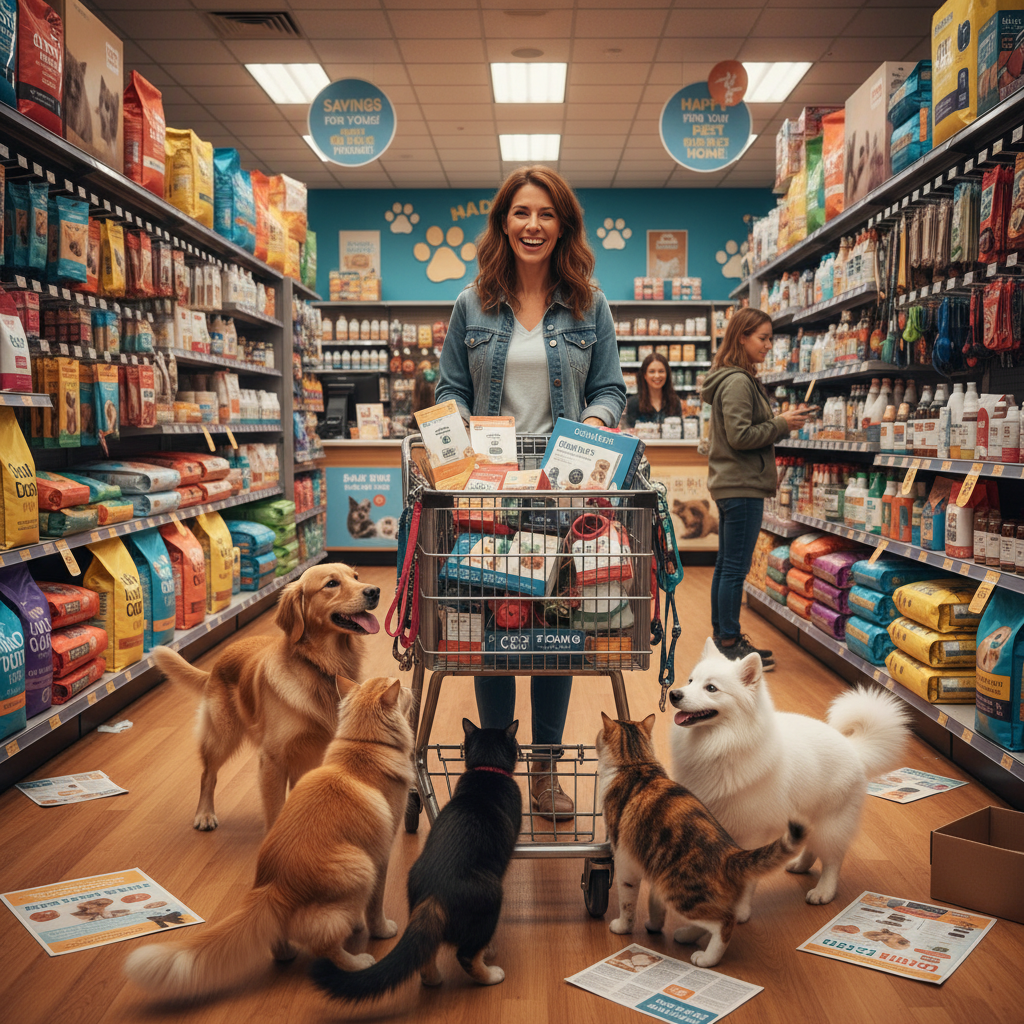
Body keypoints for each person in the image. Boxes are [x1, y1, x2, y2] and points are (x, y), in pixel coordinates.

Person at [436, 165, 626, 820]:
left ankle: (544, 772)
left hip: (561, 495)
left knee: (553, 636)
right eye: (521, 212)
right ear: (503, 223)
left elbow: (609, 389)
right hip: (490, 493)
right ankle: (494, 770)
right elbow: (449, 389)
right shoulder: (471, 304)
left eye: (546, 214)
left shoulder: (588, 304)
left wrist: (594, 425)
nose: (533, 225)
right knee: (494, 635)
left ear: (563, 225)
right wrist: (458, 432)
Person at [700, 307, 810, 669]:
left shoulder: (734, 378)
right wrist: (781, 424)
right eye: (762, 338)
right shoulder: (736, 382)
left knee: (726, 565)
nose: (768, 345)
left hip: (735, 483)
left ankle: (724, 638)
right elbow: (740, 435)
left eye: (770, 338)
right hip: (741, 485)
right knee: (734, 567)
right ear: (742, 337)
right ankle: (730, 643)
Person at [623, 352, 682, 427]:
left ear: (667, 374)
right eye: (652, 371)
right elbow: (630, 433)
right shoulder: (634, 403)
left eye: (661, 371)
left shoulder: (674, 402)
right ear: (645, 375)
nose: (657, 376)